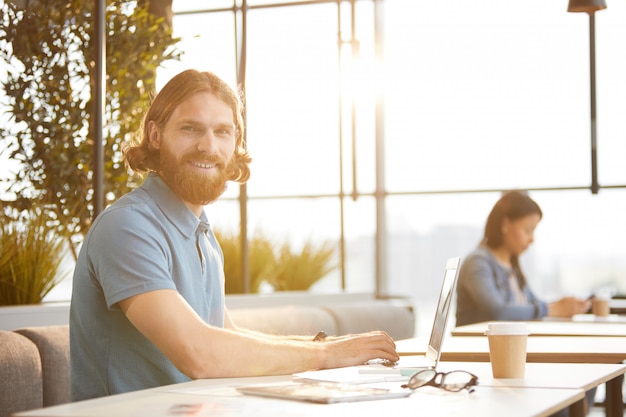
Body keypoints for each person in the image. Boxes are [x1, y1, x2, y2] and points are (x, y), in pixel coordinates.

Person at [69, 69, 399, 401]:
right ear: (156, 135)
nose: (208, 146)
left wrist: (327, 347)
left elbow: (224, 337)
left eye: (222, 132)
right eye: (190, 128)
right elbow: (199, 352)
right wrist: (327, 356)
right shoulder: (127, 226)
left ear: (235, 141)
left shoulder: (202, 234)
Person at [455, 191, 591, 327]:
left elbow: (533, 303)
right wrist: (553, 309)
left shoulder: (512, 266)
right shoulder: (477, 263)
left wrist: (563, 306)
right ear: (505, 225)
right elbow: (497, 312)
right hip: (481, 346)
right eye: (528, 230)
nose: (532, 239)